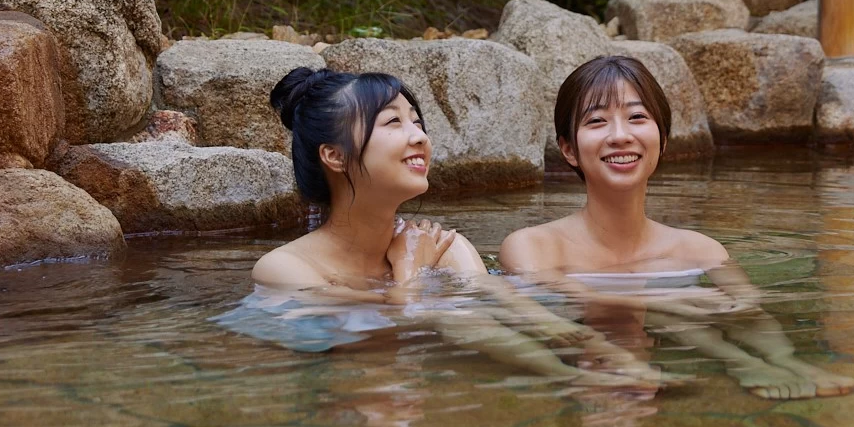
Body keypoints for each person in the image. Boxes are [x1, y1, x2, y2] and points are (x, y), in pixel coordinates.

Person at [245, 67, 660, 387]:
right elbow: (377, 333)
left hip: (415, 395)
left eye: (417, 122)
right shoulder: (284, 270)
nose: (419, 137)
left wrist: (602, 356)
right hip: (341, 406)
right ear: (334, 156)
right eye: (393, 123)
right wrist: (410, 270)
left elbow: (488, 317)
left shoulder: (443, 245)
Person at [499, 55, 854, 400]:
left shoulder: (700, 250)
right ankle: (739, 361)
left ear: (663, 139)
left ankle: (785, 362)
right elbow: (558, 300)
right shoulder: (532, 247)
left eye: (637, 117)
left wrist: (779, 353)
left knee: (698, 319)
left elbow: (749, 306)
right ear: (569, 150)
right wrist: (668, 298)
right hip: (584, 347)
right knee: (671, 316)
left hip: (675, 335)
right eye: (597, 121)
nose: (620, 135)